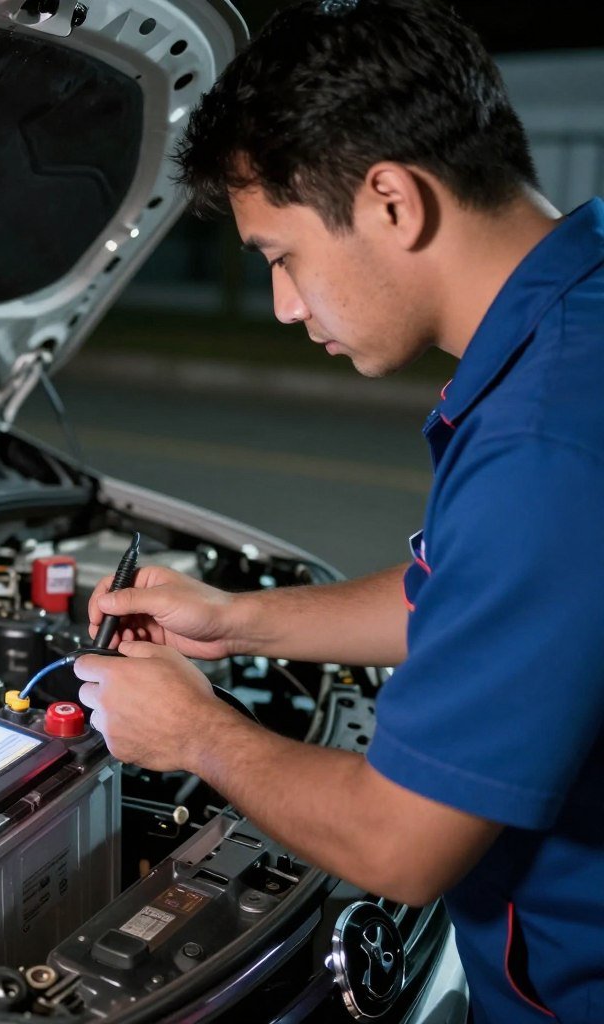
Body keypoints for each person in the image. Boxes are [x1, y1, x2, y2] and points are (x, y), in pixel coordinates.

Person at [73, 1, 604, 1021]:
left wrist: (195, 732)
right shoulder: (575, 325)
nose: (282, 303)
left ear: (392, 202)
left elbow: (398, 847)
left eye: (281, 256)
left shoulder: (546, 445)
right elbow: (481, 611)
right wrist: (235, 620)